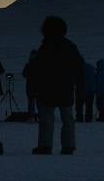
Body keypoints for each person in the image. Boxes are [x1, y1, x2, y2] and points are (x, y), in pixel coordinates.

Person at [30, 15, 83, 154]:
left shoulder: (45, 47)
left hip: (46, 89)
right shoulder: (70, 46)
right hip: (65, 88)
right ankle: (68, 146)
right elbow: (79, 66)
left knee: (46, 119)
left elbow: (37, 69)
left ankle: (45, 145)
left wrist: (35, 86)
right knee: (67, 118)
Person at [76, 58, 95, 122]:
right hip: (90, 89)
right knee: (89, 105)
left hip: (81, 89)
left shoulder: (78, 69)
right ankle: (88, 118)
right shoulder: (91, 67)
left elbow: (75, 79)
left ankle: (79, 118)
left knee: (79, 105)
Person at [22, 49, 40, 117]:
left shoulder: (35, 65)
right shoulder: (29, 65)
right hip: (32, 86)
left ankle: (34, 115)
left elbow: (24, 74)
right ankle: (32, 115)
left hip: (34, 86)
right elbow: (24, 74)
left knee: (35, 102)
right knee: (32, 102)